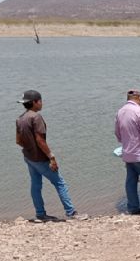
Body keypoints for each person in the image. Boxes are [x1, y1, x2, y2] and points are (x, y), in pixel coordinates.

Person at [15, 90, 88, 222]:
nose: (41, 103)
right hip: (40, 159)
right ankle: (71, 213)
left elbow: (18, 141)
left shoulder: (20, 119)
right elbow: (40, 140)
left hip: (28, 157)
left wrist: (30, 150)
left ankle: (40, 214)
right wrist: (51, 157)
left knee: (36, 185)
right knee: (60, 183)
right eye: (40, 101)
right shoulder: (36, 117)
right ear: (35, 102)